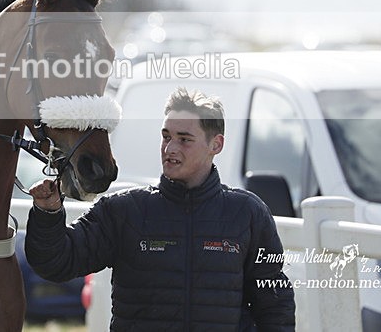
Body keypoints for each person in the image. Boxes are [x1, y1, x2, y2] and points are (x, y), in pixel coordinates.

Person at [26, 87, 295, 331]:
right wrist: (48, 214)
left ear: (216, 144)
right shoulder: (124, 212)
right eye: (166, 136)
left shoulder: (247, 213)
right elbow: (56, 262)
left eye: (184, 139)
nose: (170, 148)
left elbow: (273, 303)